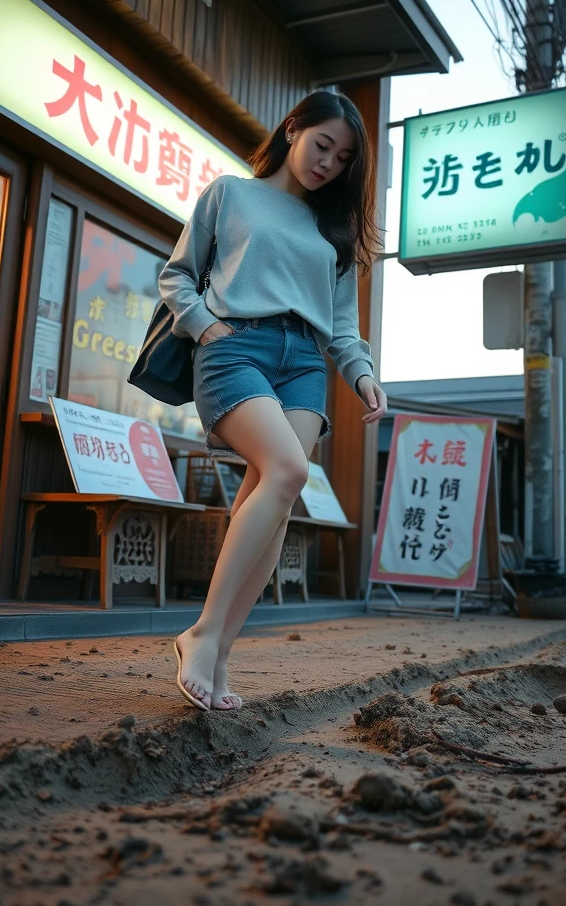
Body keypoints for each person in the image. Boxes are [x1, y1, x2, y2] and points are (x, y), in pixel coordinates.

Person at [156, 92, 387, 711]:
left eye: (342, 159)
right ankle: (202, 633)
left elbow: (343, 325)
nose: (328, 164)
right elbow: (177, 273)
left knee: (276, 503)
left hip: (306, 365)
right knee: (288, 470)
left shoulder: (333, 231)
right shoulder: (230, 193)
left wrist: (361, 374)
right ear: (293, 129)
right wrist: (205, 327)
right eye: (322, 146)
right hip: (237, 348)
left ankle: (220, 652)